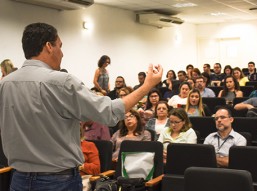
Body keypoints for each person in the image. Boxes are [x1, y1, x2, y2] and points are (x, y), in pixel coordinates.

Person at [0, 23, 163, 190]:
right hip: (58, 181)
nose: (62, 54)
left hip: (18, 179)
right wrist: (147, 86)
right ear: (49, 46)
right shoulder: (62, 82)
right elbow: (109, 113)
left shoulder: (5, 85)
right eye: (60, 46)